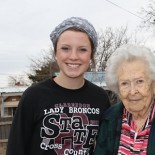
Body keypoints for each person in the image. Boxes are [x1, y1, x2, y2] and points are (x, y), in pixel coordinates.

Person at [6, 17, 111, 155]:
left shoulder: (100, 97)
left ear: (91, 55)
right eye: (65, 48)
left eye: (82, 50)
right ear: (55, 52)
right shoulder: (34, 95)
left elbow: (107, 146)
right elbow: (15, 148)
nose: (73, 56)